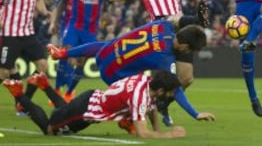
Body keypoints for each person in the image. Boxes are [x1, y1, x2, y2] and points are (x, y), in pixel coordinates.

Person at [97, 0, 221, 125]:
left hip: (181, 35)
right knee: (172, 19)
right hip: (161, 32)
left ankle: (162, 104)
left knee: (186, 79)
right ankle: (196, 19)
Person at [47, 20, 215, 124]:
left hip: (103, 53)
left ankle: (60, 53)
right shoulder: (166, 58)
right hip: (112, 75)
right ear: (186, 47)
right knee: (150, 89)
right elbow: (176, 88)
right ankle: (127, 119)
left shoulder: (163, 25)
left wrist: (65, 53)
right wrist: (195, 113)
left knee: (111, 44)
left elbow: (177, 20)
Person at [2, 70, 187, 138]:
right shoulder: (140, 96)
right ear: (161, 90)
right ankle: (18, 93)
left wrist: (156, 129)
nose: (171, 95)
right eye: (170, 92)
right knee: (50, 129)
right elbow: (142, 133)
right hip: (85, 112)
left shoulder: (146, 81)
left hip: (91, 97)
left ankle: (44, 85)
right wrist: (169, 135)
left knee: (62, 111)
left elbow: (151, 107)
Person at [0, 0, 52, 113]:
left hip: (28, 32)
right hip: (10, 31)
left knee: (43, 66)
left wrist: (45, 12)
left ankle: (24, 102)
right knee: (3, 73)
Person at [50, 0, 107, 102]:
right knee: (66, 54)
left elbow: (110, 0)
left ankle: (69, 92)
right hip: (74, 27)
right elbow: (62, 2)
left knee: (81, 63)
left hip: (91, 31)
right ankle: (57, 89)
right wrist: (56, 21)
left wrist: (107, 15)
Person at [48, 0, 84, 104]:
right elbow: (57, 8)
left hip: (83, 31)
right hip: (67, 29)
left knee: (75, 61)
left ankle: (67, 91)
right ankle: (60, 91)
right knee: (65, 59)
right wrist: (53, 23)